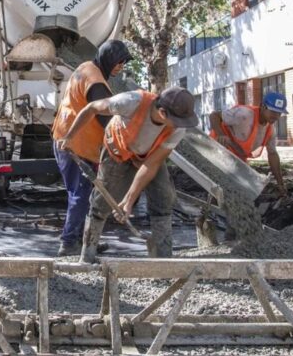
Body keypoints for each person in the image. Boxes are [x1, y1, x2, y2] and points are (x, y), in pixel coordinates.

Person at [59, 86, 199, 262]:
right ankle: (87, 254)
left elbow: (151, 164)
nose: (181, 126)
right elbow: (92, 108)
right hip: (117, 153)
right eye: (178, 121)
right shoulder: (130, 101)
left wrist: (129, 200)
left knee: (164, 197)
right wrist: (70, 136)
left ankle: (163, 260)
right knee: (101, 202)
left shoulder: (178, 128)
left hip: (148, 156)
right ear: (162, 112)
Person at [51, 40, 132, 256]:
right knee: (80, 194)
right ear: (108, 58)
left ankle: (84, 239)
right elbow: (107, 120)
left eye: (123, 63)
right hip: (75, 144)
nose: (120, 67)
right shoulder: (96, 82)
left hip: (66, 137)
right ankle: (69, 243)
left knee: (80, 194)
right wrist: (125, 145)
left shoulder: (86, 68)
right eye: (118, 62)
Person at [209, 91, 287, 195]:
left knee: (243, 188)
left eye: (279, 113)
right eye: (273, 111)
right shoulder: (244, 114)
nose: (276, 116)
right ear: (263, 107)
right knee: (222, 186)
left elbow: (272, 154)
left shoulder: (270, 130)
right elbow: (214, 115)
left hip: (237, 155)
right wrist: (221, 134)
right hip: (217, 149)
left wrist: (280, 184)